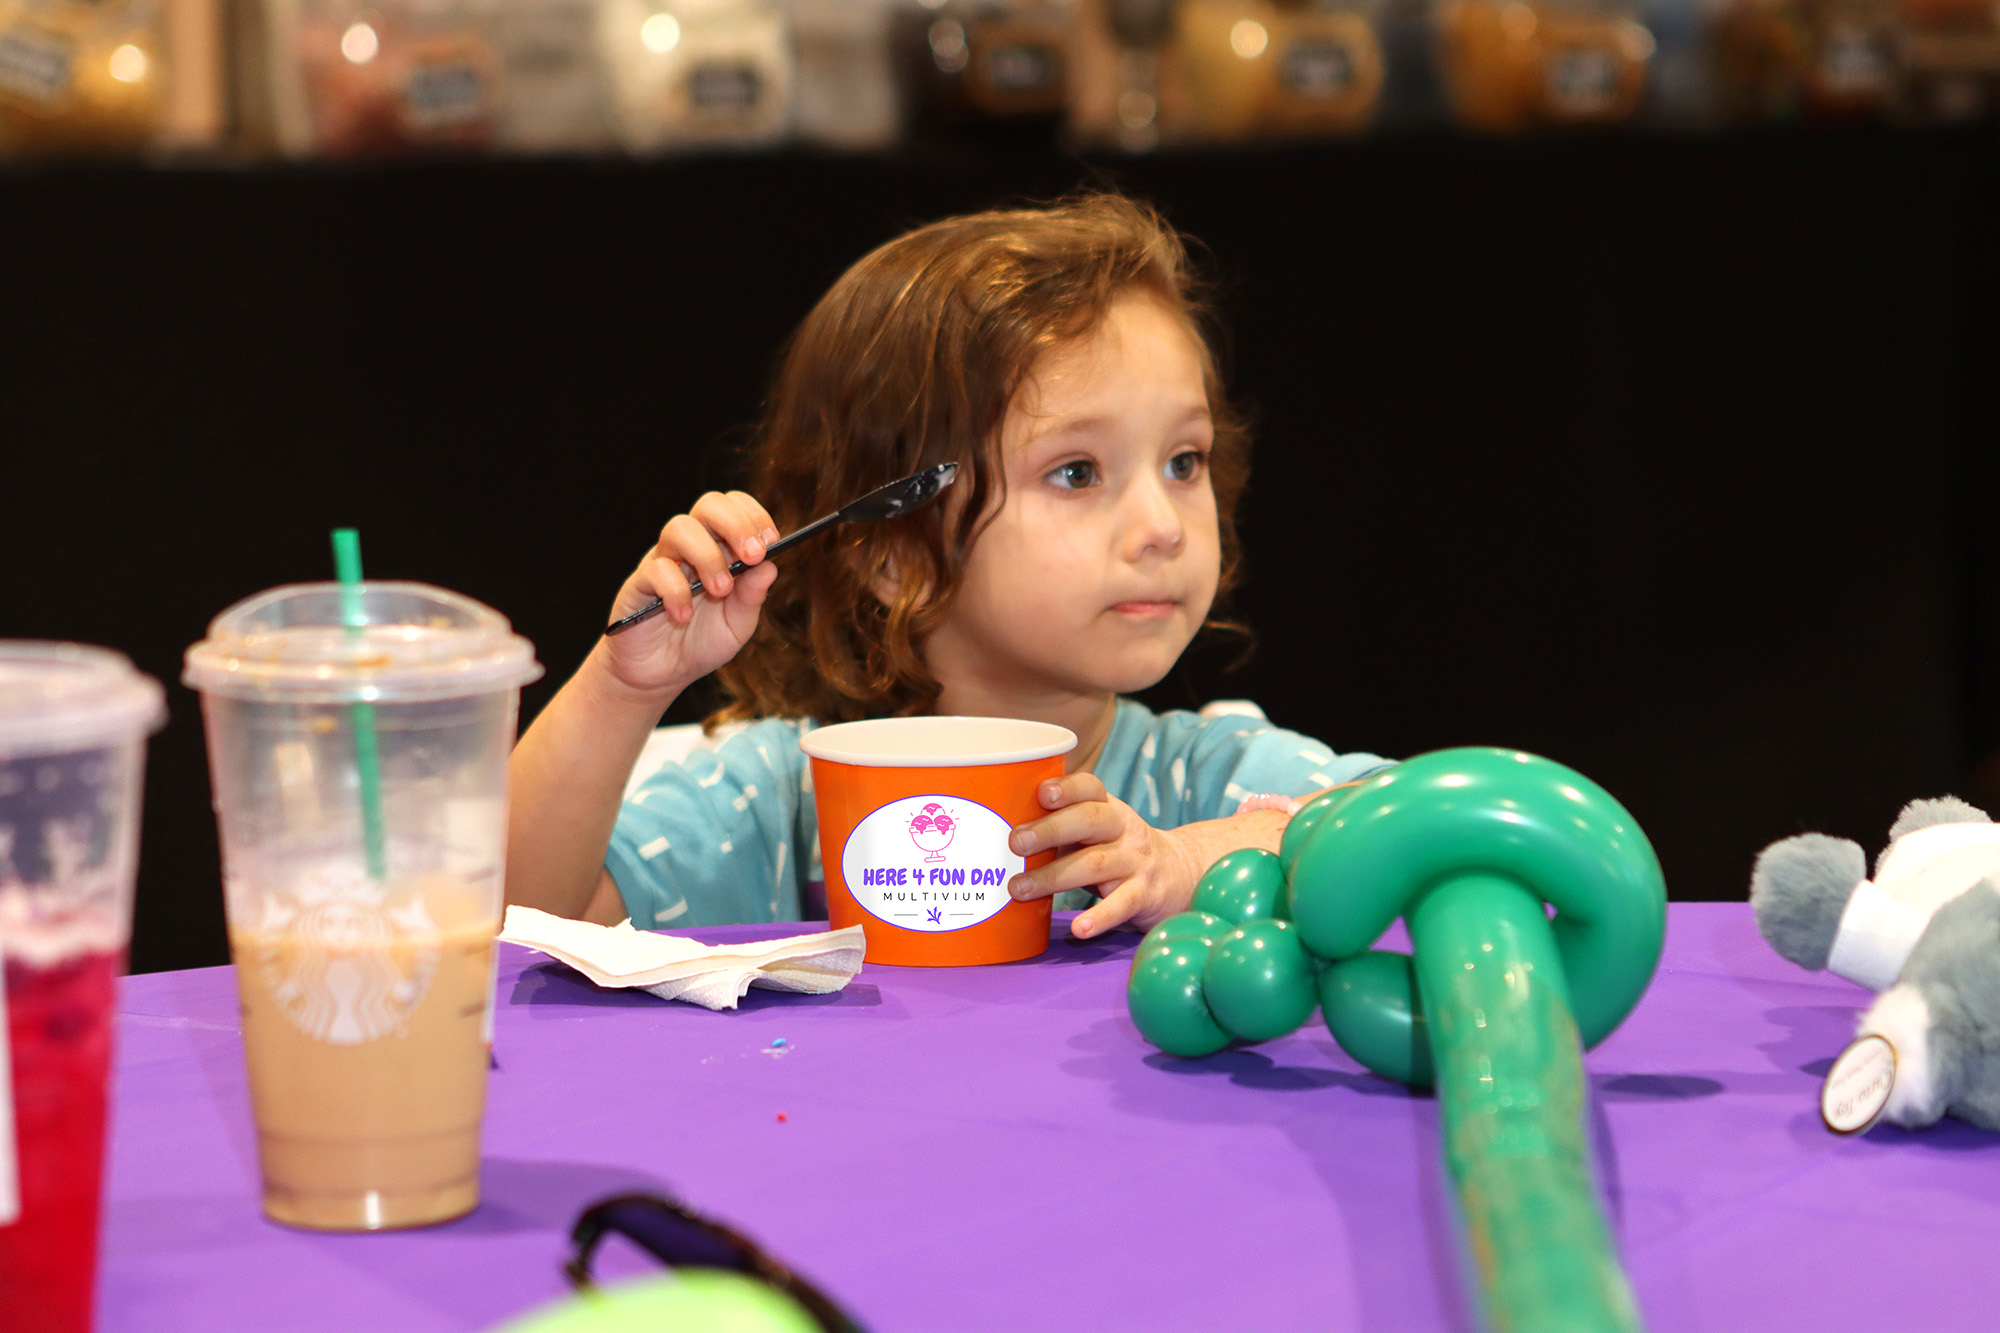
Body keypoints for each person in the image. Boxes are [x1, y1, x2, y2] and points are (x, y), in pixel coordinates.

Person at [505, 194, 1390, 940]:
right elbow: (502, 922)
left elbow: (1442, 837)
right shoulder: (777, 802)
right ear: (891, 551)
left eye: (1183, 462)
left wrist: (1191, 858)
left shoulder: (1206, 780)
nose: (1163, 525)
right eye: (1077, 472)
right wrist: (624, 688)